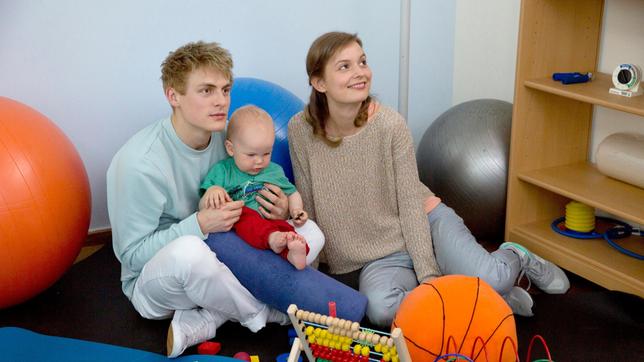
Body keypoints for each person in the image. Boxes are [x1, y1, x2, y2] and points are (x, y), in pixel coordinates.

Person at [287, 31, 570, 326]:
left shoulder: (389, 125)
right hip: (385, 251)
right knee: (382, 310)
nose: (360, 73)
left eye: (362, 62)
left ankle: (516, 257)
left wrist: (430, 279)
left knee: (493, 277)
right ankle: (480, 297)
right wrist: (313, 279)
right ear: (319, 83)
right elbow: (307, 203)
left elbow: (411, 204)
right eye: (344, 66)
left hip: (426, 221)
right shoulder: (300, 130)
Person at [106, 41, 304, 358]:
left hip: (224, 252)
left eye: (225, 90)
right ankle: (267, 312)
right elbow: (131, 256)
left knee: (310, 234)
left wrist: (279, 208)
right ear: (174, 96)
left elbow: (255, 189)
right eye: (207, 91)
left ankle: (206, 320)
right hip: (157, 284)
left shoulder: (227, 138)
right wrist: (197, 224)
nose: (221, 102)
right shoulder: (139, 165)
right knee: (191, 252)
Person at [200, 105, 324, 270]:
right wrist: (213, 191)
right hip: (238, 230)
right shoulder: (223, 170)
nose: (259, 161)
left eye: (266, 154)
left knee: (288, 232)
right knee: (244, 214)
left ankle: (293, 254)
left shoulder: (273, 171)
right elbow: (201, 206)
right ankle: (273, 241)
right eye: (251, 155)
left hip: (270, 225)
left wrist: (296, 211)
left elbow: (292, 193)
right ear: (231, 149)